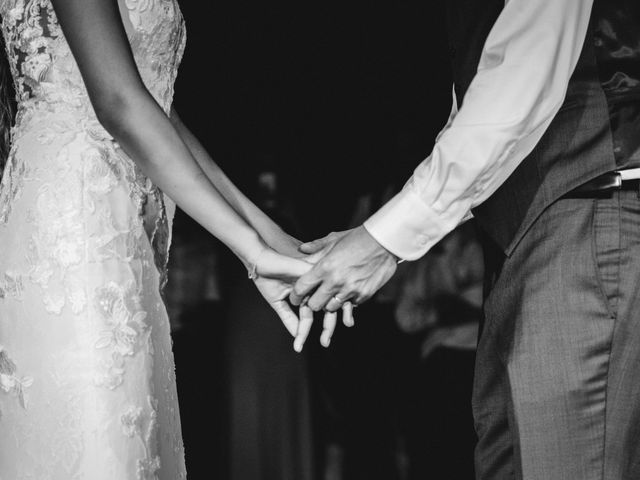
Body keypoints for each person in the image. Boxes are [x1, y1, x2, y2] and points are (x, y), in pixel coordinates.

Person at [292, 0, 640, 478]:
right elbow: (477, 113)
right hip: (524, 236)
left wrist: (383, 240)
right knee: (509, 461)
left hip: (586, 215)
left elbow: (519, 80)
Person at [0, 1, 333, 478]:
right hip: (71, 230)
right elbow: (119, 101)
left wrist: (267, 234)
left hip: (124, 234)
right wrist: (250, 250)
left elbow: (156, 107)